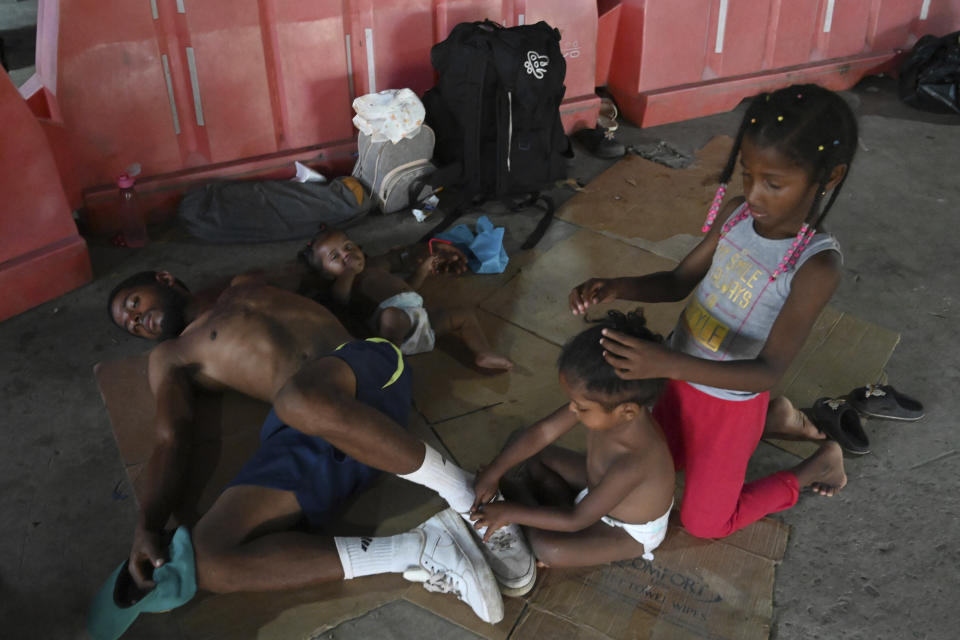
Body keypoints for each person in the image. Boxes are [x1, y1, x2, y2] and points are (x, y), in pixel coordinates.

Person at [105, 270, 537, 623]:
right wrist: (148, 524)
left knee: (298, 400)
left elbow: (339, 278)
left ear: (163, 278)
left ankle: (467, 492)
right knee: (209, 559)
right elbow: (170, 437)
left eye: (133, 306)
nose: (138, 322)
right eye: (132, 327)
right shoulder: (171, 355)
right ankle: (423, 548)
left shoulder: (244, 281)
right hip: (309, 431)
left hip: (362, 367)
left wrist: (394, 294)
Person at [568, 84, 855, 539]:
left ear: (830, 176)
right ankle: (775, 420)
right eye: (747, 175)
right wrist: (617, 286)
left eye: (774, 183)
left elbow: (766, 371)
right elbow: (680, 281)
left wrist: (666, 363)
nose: (755, 194)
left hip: (731, 404)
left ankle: (818, 463)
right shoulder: (738, 216)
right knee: (657, 460)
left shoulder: (815, 265)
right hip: (680, 382)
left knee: (705, 524)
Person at [469, 311, 676, 566]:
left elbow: (576, 520)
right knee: (526, 445)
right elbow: (544, 432)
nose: (574, 410)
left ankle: (519, 499)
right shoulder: (611, 406)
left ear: (627, 411)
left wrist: (509, 512)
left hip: (623, 529)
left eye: (581, 407)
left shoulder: (636, 460)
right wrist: (494, 471)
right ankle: (535, 498)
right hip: (595, 489)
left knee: (551, 549)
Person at [301, 227, 513, 370]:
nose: (346, 255)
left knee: (464, 314)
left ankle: (483, 353)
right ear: (327, 275)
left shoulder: (376, 267)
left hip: (421, 320)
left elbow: (408, 291)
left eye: (348, 247)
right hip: (391, 326)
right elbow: (340, 298)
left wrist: (422, 271)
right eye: (335, 257)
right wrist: (348, 273)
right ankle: (389, 359)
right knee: (394, 317)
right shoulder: (348, 281)